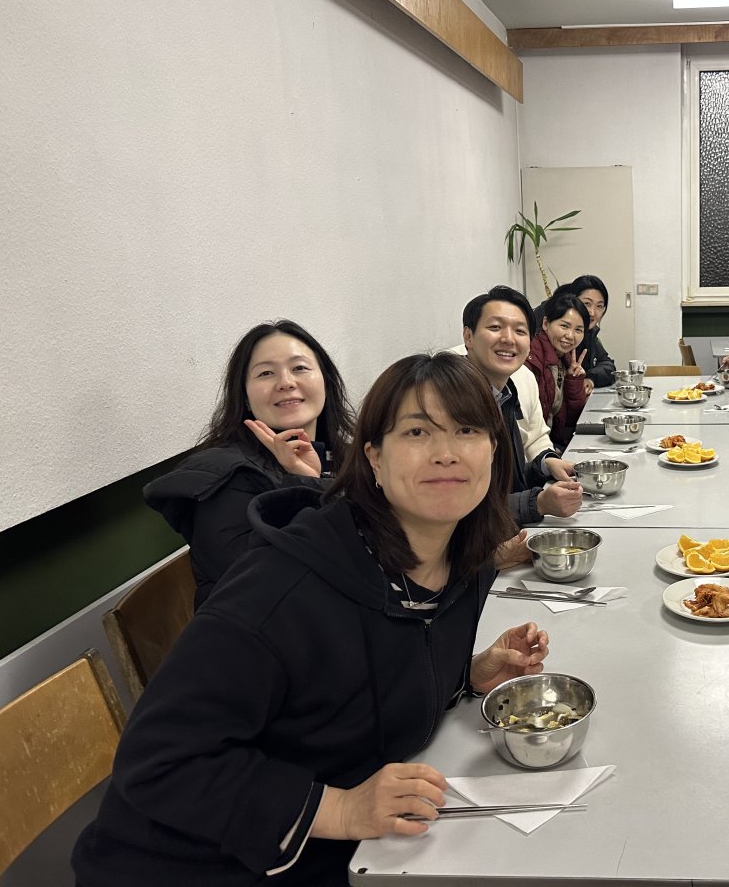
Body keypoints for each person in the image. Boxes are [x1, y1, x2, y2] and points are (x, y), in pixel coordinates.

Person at [74, 352, 551, 886]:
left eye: (467, 430)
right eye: (417, 432)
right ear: (373, 458)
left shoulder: (466, 562)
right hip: (204, 865)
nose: (446, 453)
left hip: (363, 852)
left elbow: (370, 676)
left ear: (494, 451)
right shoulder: (284, 587)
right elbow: (158, 761)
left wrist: (465, 675)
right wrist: (340, 809)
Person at [144, 320, 354, 607]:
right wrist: (309, 484)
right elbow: (275, 587)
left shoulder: (346, 455)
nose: (286, 382)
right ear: (244, 394)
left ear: (326, 380)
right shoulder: (228, 479)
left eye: (299, 368)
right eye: (266, 373)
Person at [460, 286, 582, 525]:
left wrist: (545, 466)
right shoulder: (456, 399)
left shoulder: (504, 393)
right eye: (495, 328)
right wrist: (538, 503)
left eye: (519, 331)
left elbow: (507, 478)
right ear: (468, 337)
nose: (508, 339)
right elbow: (458, 503)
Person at [526, 292, 591, 450]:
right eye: (564, 326)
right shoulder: (531, 358)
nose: (570, 336)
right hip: (536, 451)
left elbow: (569, 421)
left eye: (578, 330)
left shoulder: (564, 360)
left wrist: (574, 382)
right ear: (545, 323)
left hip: (552, 445)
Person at [532, 275, 616, 392]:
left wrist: (590, 378)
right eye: (587, 303)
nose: (592, 313)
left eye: (599, 306)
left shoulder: (588, 332)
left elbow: (607, 364)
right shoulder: (538, 338)